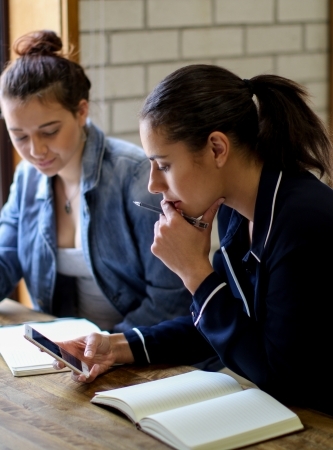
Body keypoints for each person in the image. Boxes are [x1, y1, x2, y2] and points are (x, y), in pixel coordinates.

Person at [54, 64, 333, 415]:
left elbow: (280, 377)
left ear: (217, 148)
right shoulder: (235, 207)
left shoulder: (302, 223)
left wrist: (195, 273)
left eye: (164, 165)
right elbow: (226, 321)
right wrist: (121, 347)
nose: (153, 185)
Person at [0, 30, 192, 333]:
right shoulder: (27, 178)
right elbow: (5, 259)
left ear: (81, 111)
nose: (35, 151)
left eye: (49, 132)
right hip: (70, 356)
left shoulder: (137, 176)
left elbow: (171, 298)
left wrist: (107, 350)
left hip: (144, 354)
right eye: (19, 136)